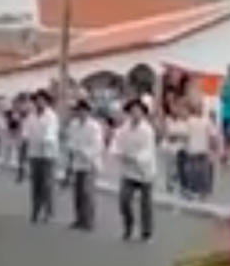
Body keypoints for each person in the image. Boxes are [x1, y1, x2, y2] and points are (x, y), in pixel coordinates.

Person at [111, 98, 157, 241]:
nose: (135, 114)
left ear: (143, 113)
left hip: (145, 171)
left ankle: (146, 231)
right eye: (132, 111)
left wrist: (135, 158)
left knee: (146, 204)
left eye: (138, 111)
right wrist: (117, 153)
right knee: (124, 200)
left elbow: (148, 151)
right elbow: (115, 144)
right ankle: (129, 226)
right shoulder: (123, 129)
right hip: (128, 171)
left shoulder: (147, 130)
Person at [66, 99, 104, 230]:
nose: (81, 113)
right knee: (78, 192)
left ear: (88, 112)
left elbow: (97, 145)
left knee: (87, 192)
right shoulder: (73, 124)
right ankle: (79, 218)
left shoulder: (94, 127)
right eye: (79, 110)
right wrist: (73, 150)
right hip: (77, 162)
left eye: (84, 110)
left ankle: (89, 220)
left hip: (90, 162)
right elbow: (70, 141)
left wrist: (84, 151)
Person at [23, 90, 60, 223]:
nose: (39, 102)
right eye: (37, 100)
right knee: (36, 183)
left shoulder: (51, 116)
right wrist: (26, 138)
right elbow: (26, 131)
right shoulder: (31, 116)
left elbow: (51, 132)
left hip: (48, 154)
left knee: (47, 184)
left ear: (46, 101)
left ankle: (48, 212)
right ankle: (36, 209)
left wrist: (45, 139)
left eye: (42, 100)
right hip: (34, 153)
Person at [183, 100, 220, 200]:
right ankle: (193, 191)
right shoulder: (190, 120)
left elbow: (212, 136)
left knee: (203, 173)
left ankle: (202, 192)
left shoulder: (206, 121)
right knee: (192, 172)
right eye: (197, 107)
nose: (199, 109)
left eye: (200, 107)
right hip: (192, 150)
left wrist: (214, 147)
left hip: (203, 150)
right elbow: (185, 135)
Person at [161, 101, 189, 194]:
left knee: (180, 167)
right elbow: (167, 134)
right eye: (173, 108)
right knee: (170, 167)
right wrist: (176, 135)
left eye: (178, 108)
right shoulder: (168, 120)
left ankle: (181, 185)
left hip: (181, 148)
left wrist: (176, 135)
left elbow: (186, 135)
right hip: (170, 148)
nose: (176, 110)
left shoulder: (184, 121)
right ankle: (170, 184)